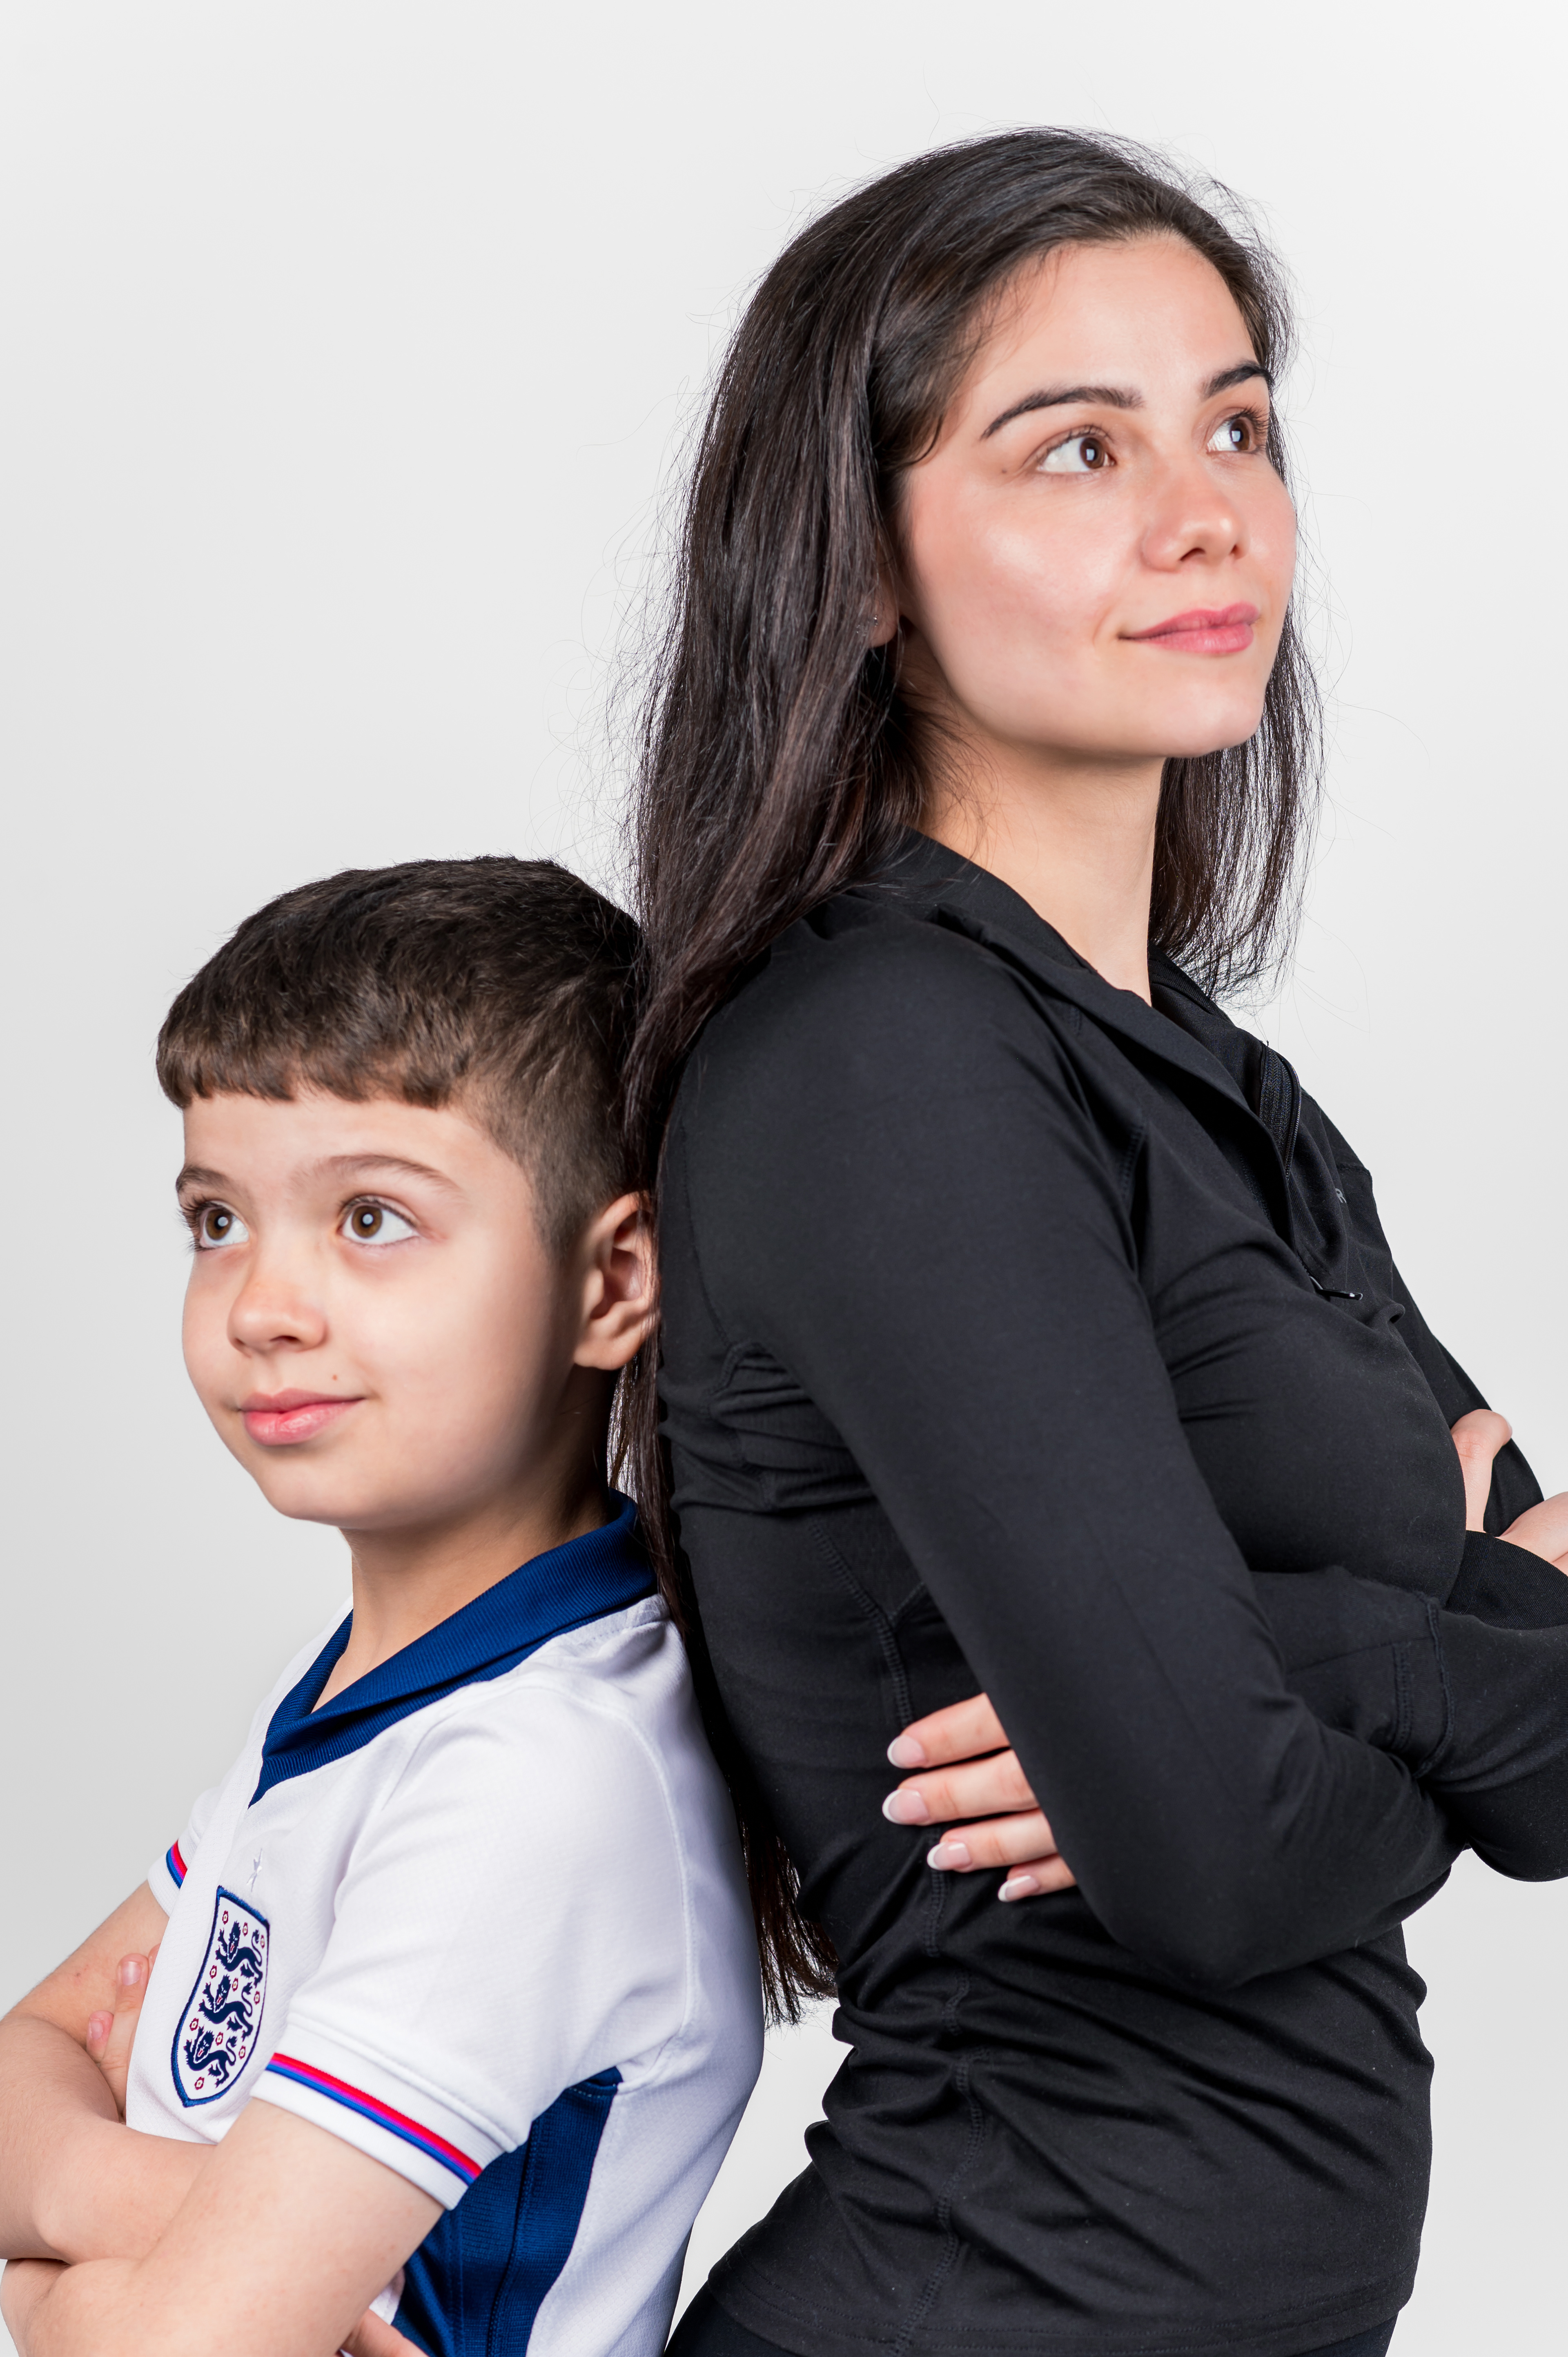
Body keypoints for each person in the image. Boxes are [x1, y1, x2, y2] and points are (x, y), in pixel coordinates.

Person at [625, 132, 1568, 2357]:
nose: (1206, 511)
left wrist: (1291, 1661)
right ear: (863, 567)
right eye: (1079, 447)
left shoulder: (1221, 1086)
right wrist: (1441, 1632)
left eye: (1236, 426)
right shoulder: (888, 1065)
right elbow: (1220, 1858)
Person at [0, 858, 763, 2357]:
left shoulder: (539, 1769)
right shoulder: (367, 1684)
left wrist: (40, 2275)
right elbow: (25, 2051)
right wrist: (157, 2201)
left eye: (370, 1216)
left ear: (613, 1281)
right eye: (217, 1219)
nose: (262, 1306)